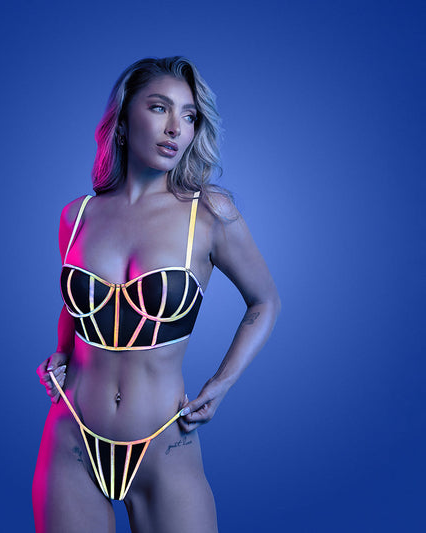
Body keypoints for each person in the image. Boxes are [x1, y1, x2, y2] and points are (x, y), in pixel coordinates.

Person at [32, 56, 280, 533]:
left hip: (165, 441)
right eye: (159, 108)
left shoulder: (209, 214)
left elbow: (265, 301)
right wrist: (60, 352)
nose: (175, 128)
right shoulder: (77, 215)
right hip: (71, 436)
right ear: (123, 122)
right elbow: (77, 304)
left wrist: (222, 383)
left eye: (189, 116)